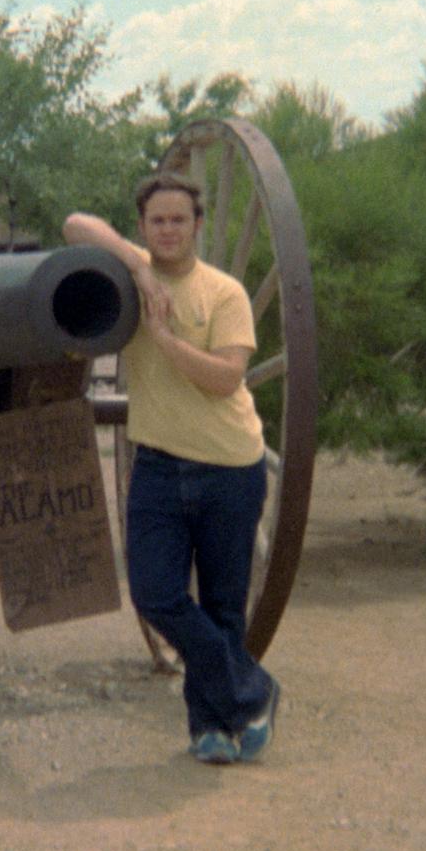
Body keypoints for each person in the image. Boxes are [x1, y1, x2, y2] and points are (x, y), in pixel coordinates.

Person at [64, 175, 280, 765]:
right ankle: (252, 690)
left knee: (223, 606)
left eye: (178, 220)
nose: (167, 230)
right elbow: (75, 224)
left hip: (230, 468)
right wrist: (136, 272)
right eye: (156, 220)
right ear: (142, 227)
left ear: (197, 225)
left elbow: (225, 377)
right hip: (158, 464)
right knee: (155, 594)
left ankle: (211, 730)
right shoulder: (137, 273)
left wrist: (159, 335)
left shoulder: (224, 294)